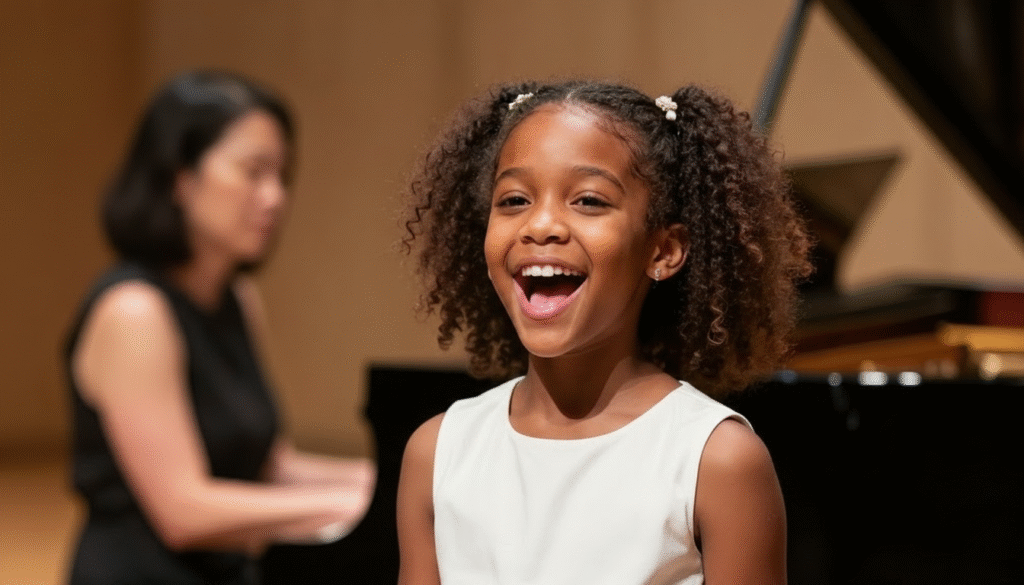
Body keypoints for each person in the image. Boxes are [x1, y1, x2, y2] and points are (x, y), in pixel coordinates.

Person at [396, 80, 813, 585]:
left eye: (589, 201)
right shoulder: (439, 452)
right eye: (513, 200)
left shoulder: (715, 460)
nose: (541, 225)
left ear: (663, 252)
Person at [65, 70, 374, 585]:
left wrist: (392, 479)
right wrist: (360, 503)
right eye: (254, 172)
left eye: (282, 176)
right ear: (180, 180)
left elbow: (267, 467)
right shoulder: (133, 312)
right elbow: (183, 513)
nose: (275, 198)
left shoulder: (236, 300)